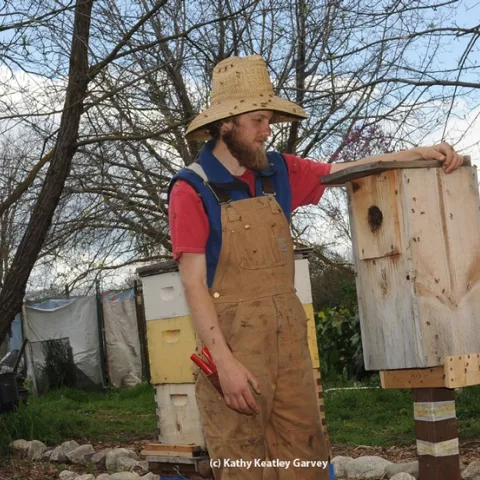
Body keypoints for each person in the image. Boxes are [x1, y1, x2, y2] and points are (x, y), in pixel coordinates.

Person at [168, 55, 463, 480]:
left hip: (288, 346)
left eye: (269, 120)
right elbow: (193, 284)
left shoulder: (279, 171)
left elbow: (347, 170)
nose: (267, 131)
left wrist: (421, 153)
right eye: (258, 120)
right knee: (243, 466)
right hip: (234, 349)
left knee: (305, 459)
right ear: (226, 124)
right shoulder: (191, 188)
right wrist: (226, 364)